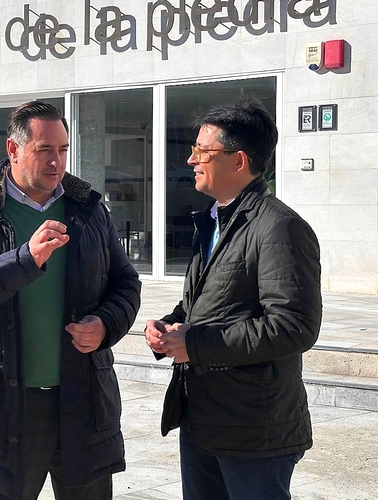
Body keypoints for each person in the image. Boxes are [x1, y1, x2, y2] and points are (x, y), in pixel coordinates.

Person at [0, 100, 142, 500]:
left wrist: (106, 324)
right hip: (3, 406)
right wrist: (24, 259)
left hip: (83, 400)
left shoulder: (88, 209)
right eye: (44, 150)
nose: (56, 162)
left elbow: (126, 284)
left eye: (62, 150)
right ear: (13, 149)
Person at [145, 98, 322, 500]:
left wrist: (194, 344)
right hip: (203, 417)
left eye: (201, 152)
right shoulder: (212, 220)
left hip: (254, 429)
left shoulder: (280, 227)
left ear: (238, 161)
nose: (191, 161)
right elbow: (205, 304)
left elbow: (294, 327)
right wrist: (170, 325)